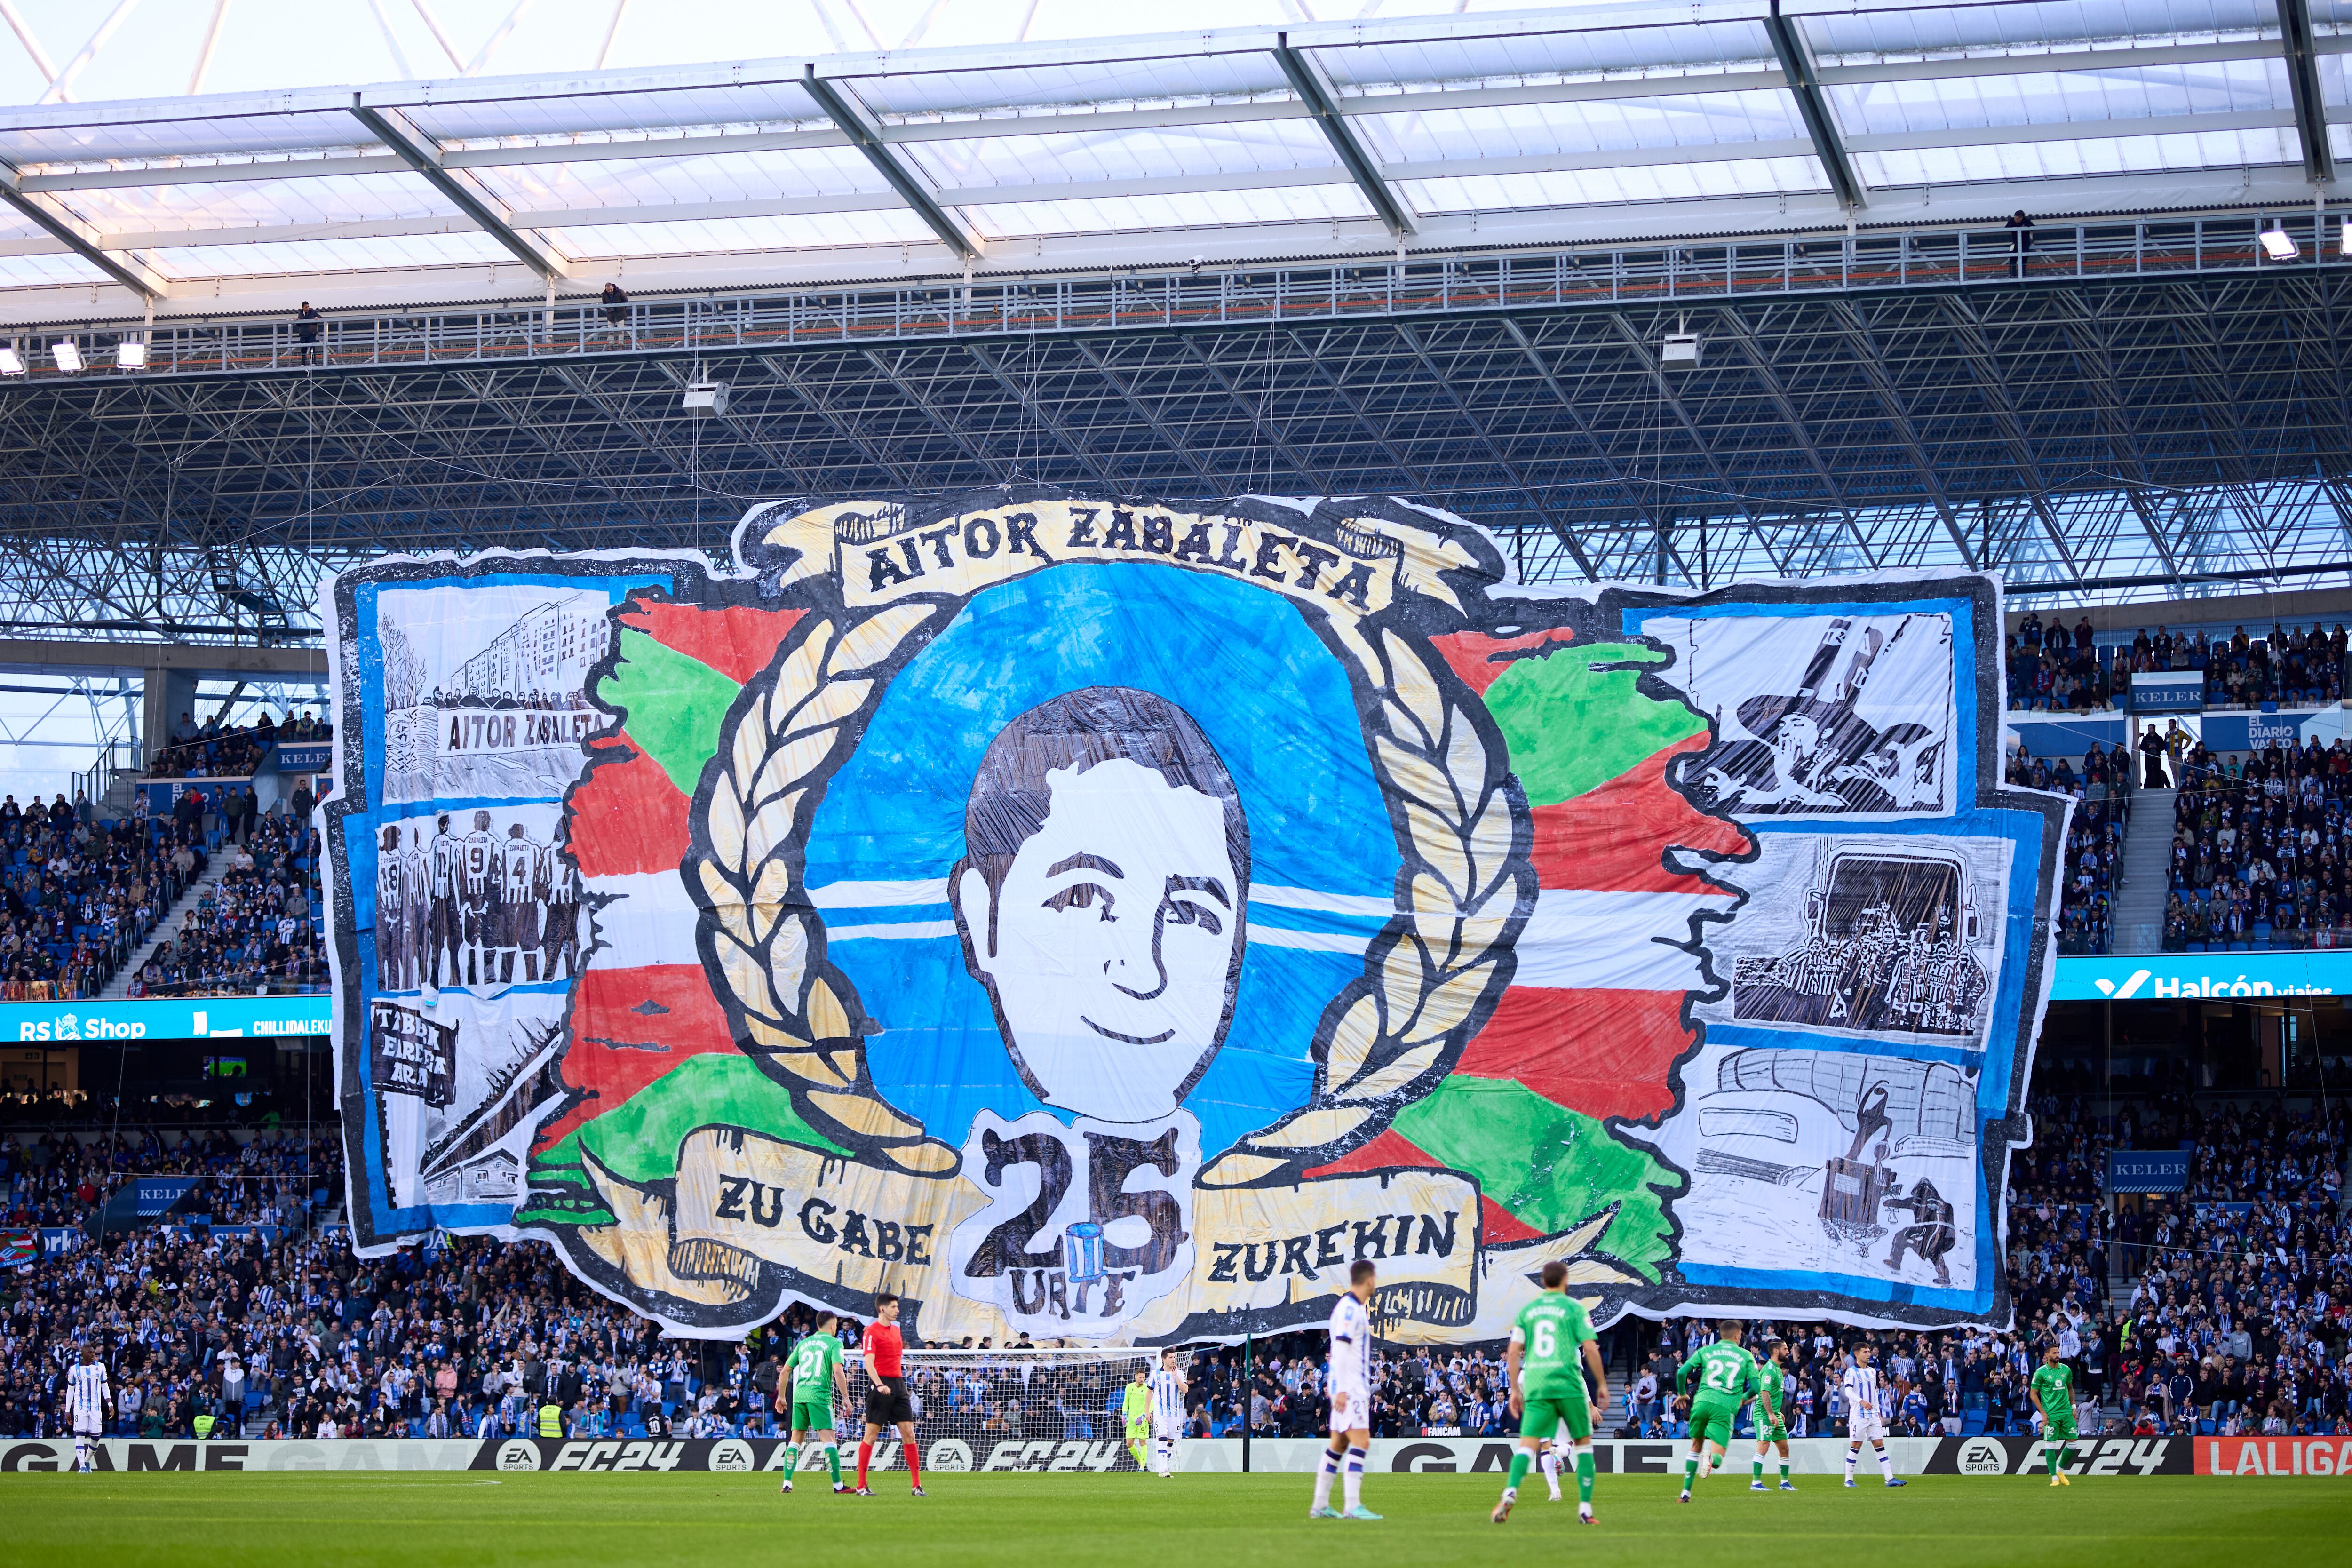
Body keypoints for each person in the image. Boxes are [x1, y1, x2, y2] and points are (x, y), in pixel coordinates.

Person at [1491, 1258, 1606, 1526]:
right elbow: (1590, 1349)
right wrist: (1601, 1383)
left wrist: (1513, 1390)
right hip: (1568, 1384)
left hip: (1537, 1384)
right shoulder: (1575, 1309)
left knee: (1527, 1447)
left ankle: (1510, 1493)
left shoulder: (1529, 1311)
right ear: (1566, 1280)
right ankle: (1585, 1510)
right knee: (1584, 1448)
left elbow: (1512, 1353)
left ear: (1543, 1282)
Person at [1309, 1259, 1379, 1521]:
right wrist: (1338, 1388)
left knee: (1338, 1445)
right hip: (1351, 1389)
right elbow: (1339, 1348)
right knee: (1362, 1441)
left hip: (1346, 1388)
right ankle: (1352, 1505)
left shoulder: (1353, 1308)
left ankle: (1320, 1505)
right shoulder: (1350, 1309)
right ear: (1369, 1280)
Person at [1675, 1321, 1758, 1502]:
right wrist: (1744, 1397)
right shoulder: (1746, 1355)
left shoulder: (1706, 1351)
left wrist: (1682, 1394)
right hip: (1725, 1406)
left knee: (1696, 1445)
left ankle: (1685, 1493)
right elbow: (1757, 1387)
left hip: (1702, 1401)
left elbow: (1682, 1373)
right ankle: (1711, 1458)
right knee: (1718, 1457)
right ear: (1737, 1336)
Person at [855, 1291, 922, 1497]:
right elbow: (868, 1362)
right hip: (880, 1385)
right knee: (872, 1436)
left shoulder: (896, 1331)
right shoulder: (871, 1332)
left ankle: (916, 1486)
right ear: (882, 1309)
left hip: (899, 1385)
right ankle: (861, 1486)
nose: (897, 1310)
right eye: (894, 1307)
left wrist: (898, 1384)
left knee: (909, 1433)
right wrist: (879, 1384)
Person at [780, 1310, 850, 1495]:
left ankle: (787, 1483)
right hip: (819, 1396)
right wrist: (846, 1398)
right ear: (833, 1325)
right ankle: (838, 1486)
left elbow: (785, 1371)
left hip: (799, 1395)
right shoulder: (835, 1343)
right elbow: (838, 1371)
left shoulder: (803, 1343)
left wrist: (781, 1397)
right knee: (829, 1440)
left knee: (795, 1441)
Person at [1841, 1344, 1905, 1487]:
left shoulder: (1872, 1372)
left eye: (1869, 1352)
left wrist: (1879, 1413)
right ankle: (1848, 1480)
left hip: (1874, 1415)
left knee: (1879, 1444)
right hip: (1859, 1414)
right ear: (1857, 1354)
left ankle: (1890, 1479)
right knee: (1856, 1445)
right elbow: (1848, 1392)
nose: (1868, 1354)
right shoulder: (1851, 1372)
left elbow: (1875, 1394)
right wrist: (1861, 1401)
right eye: (1865, 1352)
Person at [2028, 1344, 2079, 1487]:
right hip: (2051, 1414)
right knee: (2050, 1447)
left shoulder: (2066, 1370)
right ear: (2047, 1355)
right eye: (2054, 1353)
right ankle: (2054, 1478)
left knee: (2073, 1445)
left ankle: (2060, 1470)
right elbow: (2033, 1394)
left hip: (2066, 1413)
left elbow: (2070, 1389)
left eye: (2058, 1352)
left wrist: (2074, 1406)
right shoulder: (2041, 1373)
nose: (2058, 1355)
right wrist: (2043, 1413)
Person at [1750, 1336, 1796, 1491]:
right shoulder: (1769, 1369)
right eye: (1785, 1349)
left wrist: (1777, 1412)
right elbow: (1764, 1393)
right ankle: (1756, 1483)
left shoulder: (1777, 1369)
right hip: (1764, 1414)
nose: (1788, 1352)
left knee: (1784, 1448)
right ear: (1776, 1351)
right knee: (1764, 1447)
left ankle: (1784, 1483)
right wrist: (1771, 1414)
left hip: (1774, 1414)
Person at [67, 1344, 109, 1473]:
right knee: (80, 1435)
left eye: (93, 1353)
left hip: (96, 1408)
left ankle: (87, 1461)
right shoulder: (74, 1370)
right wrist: (67, 1410)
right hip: (80, 1407)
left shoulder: (100, 1367)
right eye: (90, 1353)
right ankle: (82, 1467)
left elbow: (105, 1386)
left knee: (96, 1438)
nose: (93, 1355)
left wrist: (110, 1403)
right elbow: (70, 1390)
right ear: (83, 1354)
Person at [1147, 1348, 1187, 1480]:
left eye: (1174, 1357)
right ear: (1164, 1359)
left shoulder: (1180, 1374)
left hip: (1175, 1414)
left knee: (1170, 1441)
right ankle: (1163, 1470)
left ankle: (1165, 1466)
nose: (1173, 1359)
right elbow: (1149, 1392)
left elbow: (1185, 1390)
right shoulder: (1155, 1374)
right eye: (1170, 1357)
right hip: (1160, 1413)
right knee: (1162, 1440)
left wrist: (1175, 1377)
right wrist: (1147, 1411)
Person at [1121, 1365, 1152, 1470]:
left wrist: (1144, 1415)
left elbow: (1152, 1404)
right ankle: (1141, 1463)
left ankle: (1142, 1467)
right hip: (1131, 1420)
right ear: (1135, 1377)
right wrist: (1124, 1414)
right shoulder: (1129, 1387)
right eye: (1140, 1377)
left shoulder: (1147, 1389)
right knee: (1129, 1444)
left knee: (1142, 1442)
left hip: (1142, 1420)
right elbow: (1126, 1401)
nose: (1142, 1380)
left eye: (1144, 1377)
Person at [2138, 724, 2170, 789]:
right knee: (2149, 772)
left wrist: (2157, 747)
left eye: (2150, 728)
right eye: (2149, 728)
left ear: (2154, 729)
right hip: (2148, 758)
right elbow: (2141, 747)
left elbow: (2163, 747)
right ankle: (2148, 787)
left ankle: (2159, 786)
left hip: (2157, 758)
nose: (2149, 730)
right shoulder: (2146, 738)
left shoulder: (2159, 738)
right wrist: (2148, 747)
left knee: (2158, 772)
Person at [2005, 210, 2034, 279]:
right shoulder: (2012, 221)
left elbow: (2033, 227)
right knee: (2012, 258)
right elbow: (2006, 228)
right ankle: (2013, 274)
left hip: (2025, 242)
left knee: (2024, 258)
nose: (2016, 220)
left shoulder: (2026, 220)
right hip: (2015, 242)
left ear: (2022, 218)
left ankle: (2023, 274)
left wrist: (2025, 227)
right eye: (2015, 218)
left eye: (2018, 219)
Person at [294, 301, 321, 365]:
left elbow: (322, 319)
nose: (308, 308)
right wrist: (297, 321)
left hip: (312, 334)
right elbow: (299, 325)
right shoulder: (300, 313)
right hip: (303, 335)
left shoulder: (313, 312)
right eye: (306, 307)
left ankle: (313, 363)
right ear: (303, 308)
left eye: (308, 306)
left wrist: (318, 319)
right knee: (303, 351)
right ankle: (303, 364)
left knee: (312, 349)